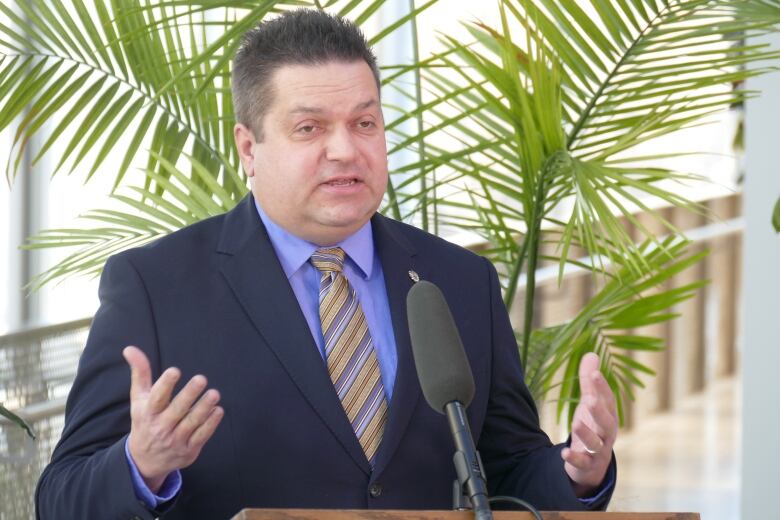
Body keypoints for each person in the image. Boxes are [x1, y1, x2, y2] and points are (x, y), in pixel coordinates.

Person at [35, 9, 618, 519]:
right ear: (249, 148)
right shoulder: (157, 287)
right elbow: (59, 499)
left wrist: (577, 471)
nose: (345, 149)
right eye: (310, 127)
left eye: (365, 123)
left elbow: (509, 471)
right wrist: (141, 465)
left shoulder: (458, 281)